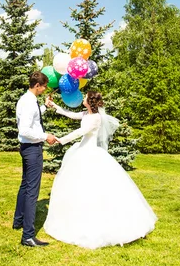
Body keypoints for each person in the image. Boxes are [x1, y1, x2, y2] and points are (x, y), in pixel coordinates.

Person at [43, 91, 157, 249]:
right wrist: (53, 106)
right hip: (81, 151)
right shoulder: (86, 114)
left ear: (90, 101)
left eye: (85, 97)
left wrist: (60, 140)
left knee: (92, 188)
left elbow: (80, 132)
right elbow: (70, 114)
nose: (82, 98)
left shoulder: (95, 118)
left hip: (89, 154)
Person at [13, 71, 58, 248]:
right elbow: (24, 130)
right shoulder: (29, 103)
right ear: (37, 86)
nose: (45, 88)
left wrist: (45, 106)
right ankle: (28, 236)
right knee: (32, 191)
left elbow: (33, 120)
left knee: (25, 185)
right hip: (32, 149)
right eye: (44, 86)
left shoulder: (28, 100)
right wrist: (45, 136)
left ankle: (18, 221)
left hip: (26, 148)